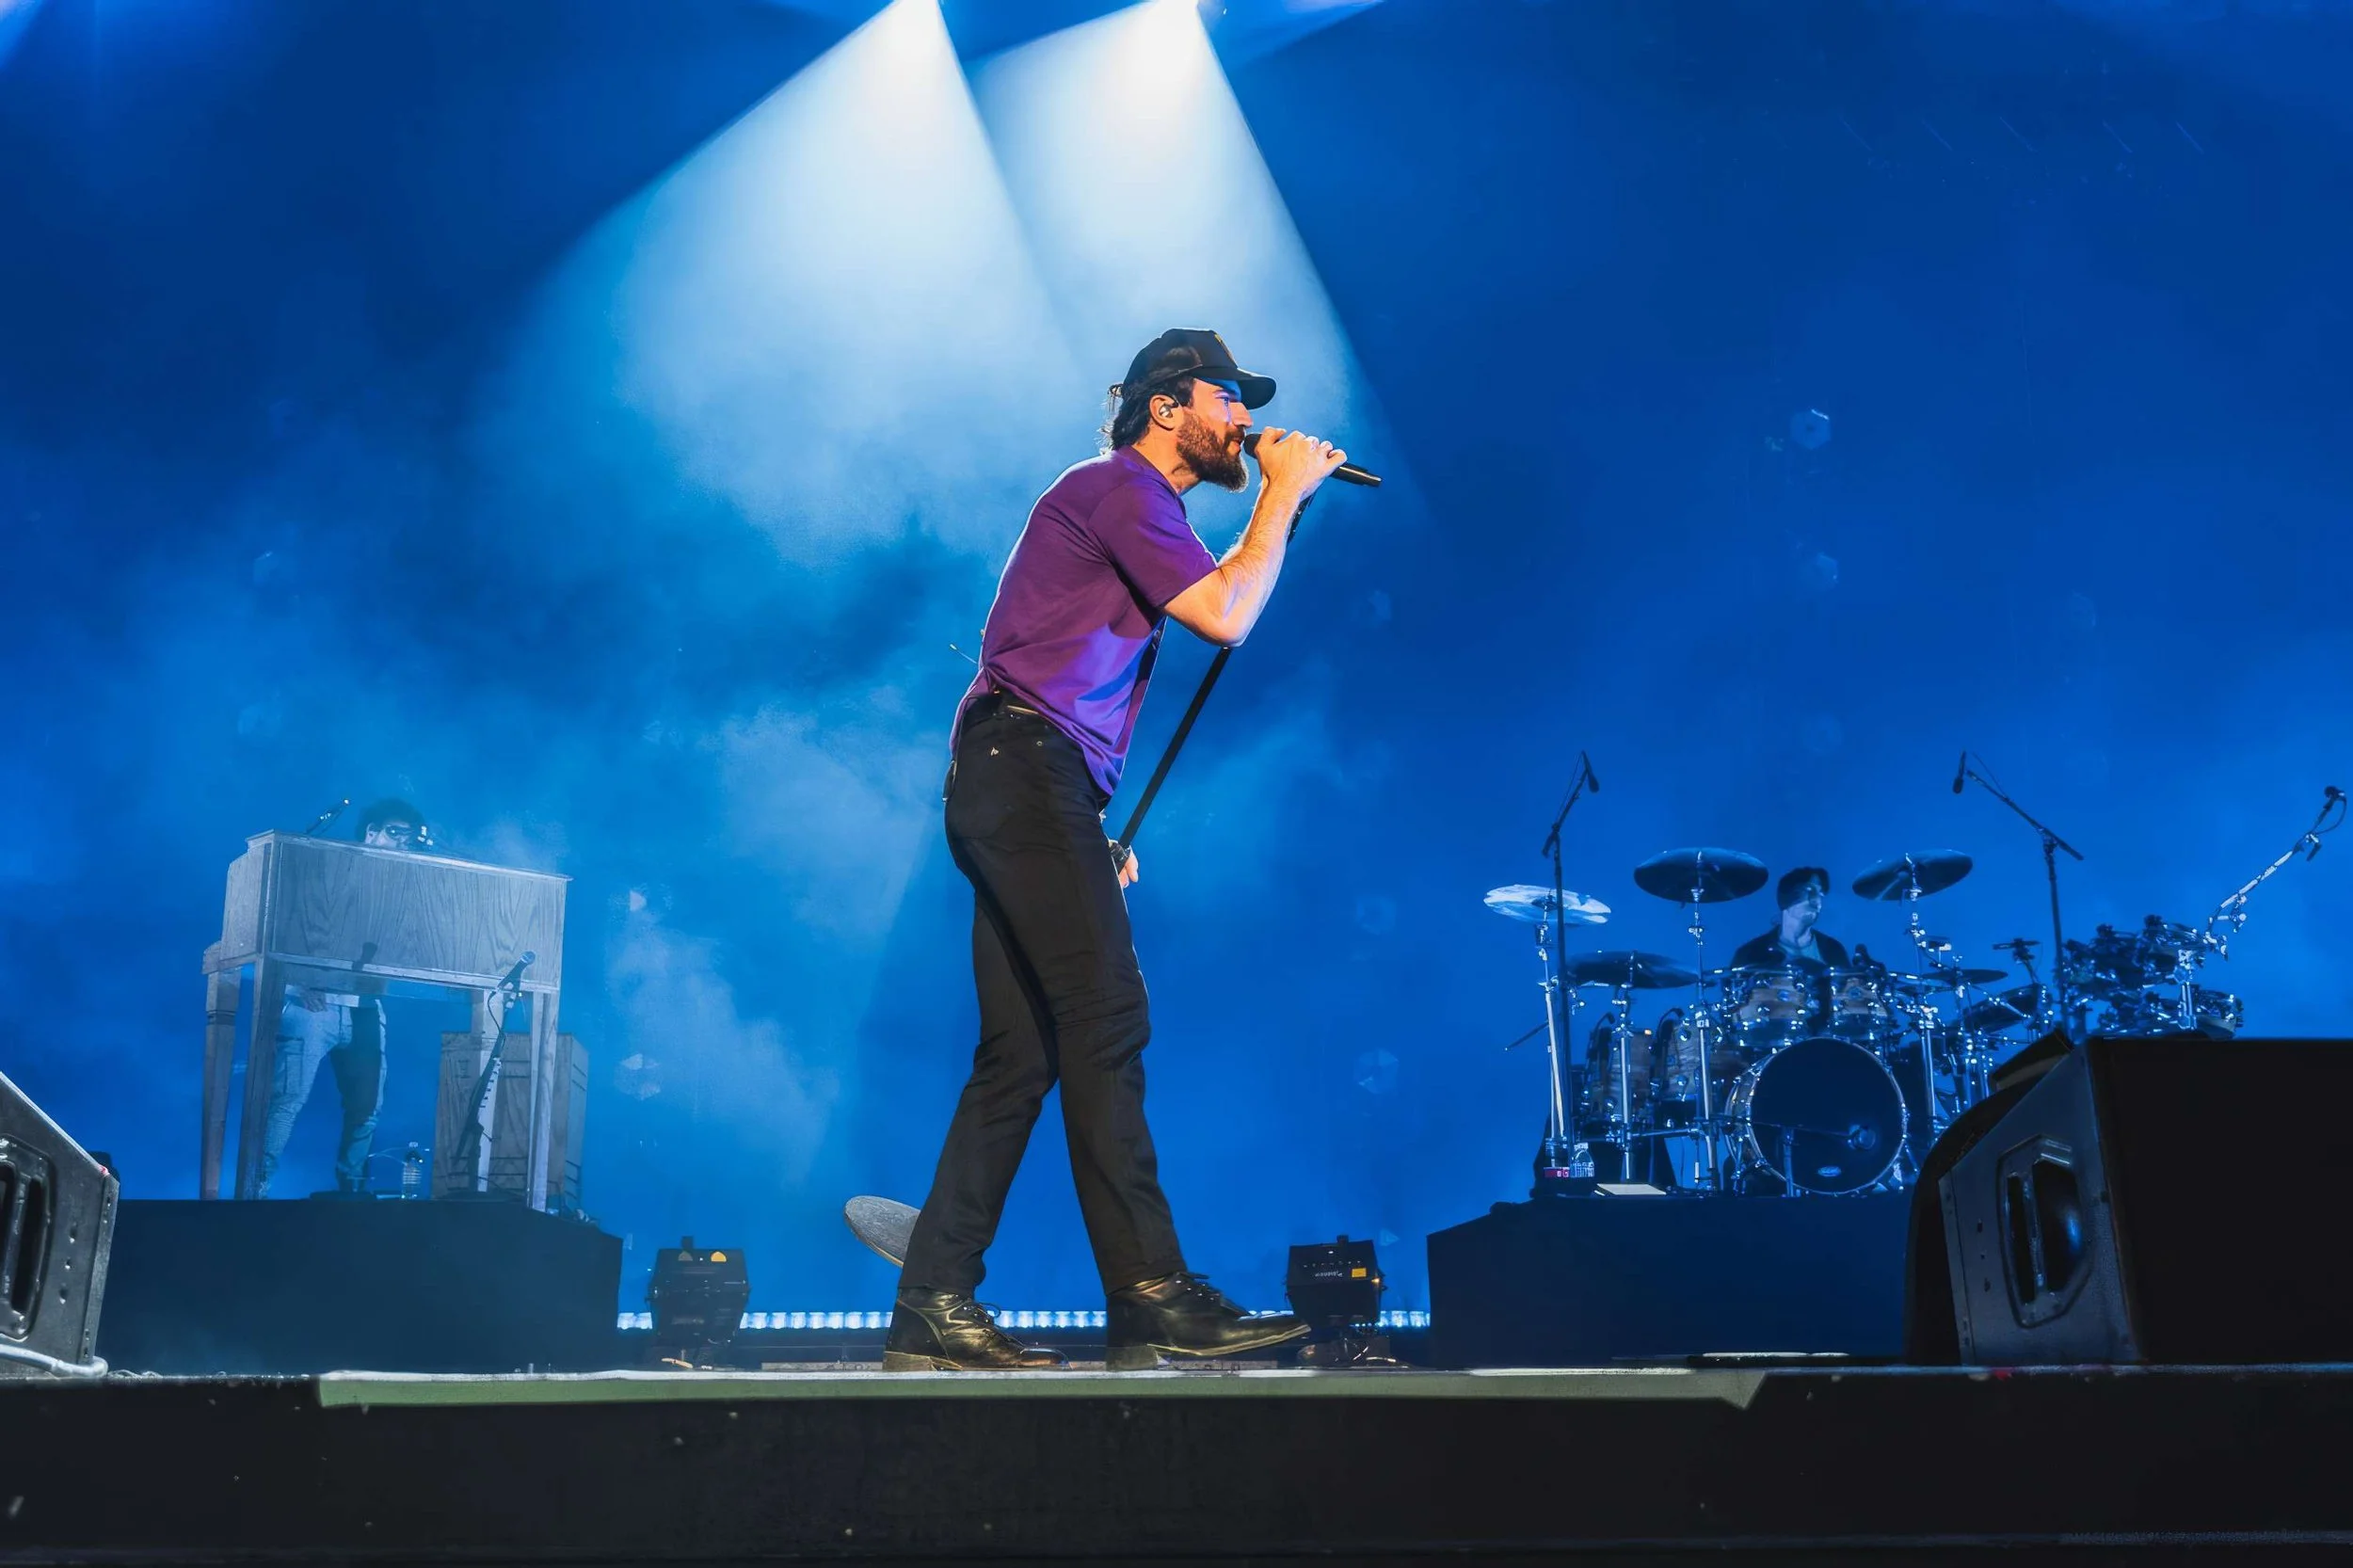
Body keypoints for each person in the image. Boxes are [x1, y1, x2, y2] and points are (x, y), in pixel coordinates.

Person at [885, 329, 1347, 1372]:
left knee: (1022, 1055)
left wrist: (1077, 821)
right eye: (1228, 398)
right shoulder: (1119, 489)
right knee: (1106, 1017)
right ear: (1166, 406)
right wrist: (1281, 495)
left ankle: (933, 1301)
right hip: (1022, 771)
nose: (1246, 418)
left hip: (1022, 778)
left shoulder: (1137, 507)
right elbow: (1225, 615)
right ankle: (1150, 1293)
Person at [254, 797, 428, 1198]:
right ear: (371, 833)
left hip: (365, 1008)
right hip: (313, 1004)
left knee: (367, 1108)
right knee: (287, 1100)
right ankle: (255, 1188)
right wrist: (294, 985)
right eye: (396, 833)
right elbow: (286, 924)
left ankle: (352, 1193)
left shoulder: (405, 886)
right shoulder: (330, 869)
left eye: (409, 838)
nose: (403, 843)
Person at [1731, 866, 1852, 972]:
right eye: (1808, 890)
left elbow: (1849, 989)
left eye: (1820, 894)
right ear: (1785, 898)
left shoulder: (1834, 950)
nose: (1817, 901)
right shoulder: (1749, 954)